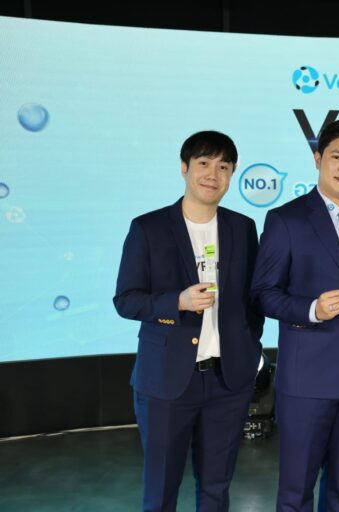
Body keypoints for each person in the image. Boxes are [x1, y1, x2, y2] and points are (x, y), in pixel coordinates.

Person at [114, 131, 264, 511]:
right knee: (161, 490)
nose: (213, 174)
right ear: (184, 167)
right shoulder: (148, 228)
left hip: (228, 381)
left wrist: (248, 347)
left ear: (232, 174)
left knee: (216, 487)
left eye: (223, 167)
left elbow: (253, 300)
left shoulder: (242, 227)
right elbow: (126, 300)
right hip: (166, 382)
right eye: (204, 163)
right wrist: (176, 302)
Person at [251, 118, 339, 512]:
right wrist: (311, 308)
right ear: (318, 159)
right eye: (336, 157)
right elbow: (263, 295)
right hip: (307, 378)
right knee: (296, 489)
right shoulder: (287, 219)